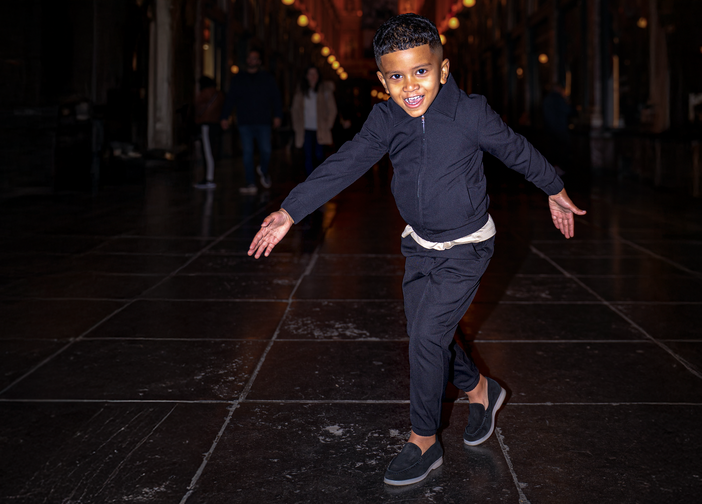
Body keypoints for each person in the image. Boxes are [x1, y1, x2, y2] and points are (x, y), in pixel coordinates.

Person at [248, 14, 586, 486]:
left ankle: (423, 441)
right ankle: (480, 389)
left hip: (468, 247)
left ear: (443, 70)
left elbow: (515, 149)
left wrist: (554, 188)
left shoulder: (469, 113)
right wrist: (289, 211)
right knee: (432, 336)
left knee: (427, 336)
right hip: (420, 247)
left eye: (421, 71)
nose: (410, 86)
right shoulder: (386, 118)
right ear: (383, 79)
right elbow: (347, 161)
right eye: (396, 76)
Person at [221, 49, 282, 194]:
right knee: (247, 152)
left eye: (255, 58)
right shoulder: (239, 78)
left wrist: (278, 115)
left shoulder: (267, 78)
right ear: (246, 60)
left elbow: (276, 98)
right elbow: (231, 98)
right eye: (250, 57)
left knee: (266, 150)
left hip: (263, 121)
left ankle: (263, 170)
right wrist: (225, 116)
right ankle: (250, 183)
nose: (252, 60)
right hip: (245, 122)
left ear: (259, 61)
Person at [291, 66, 338, 177]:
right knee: (307, 156)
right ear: (306, 76)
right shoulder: (301, 91)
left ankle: (319, 179)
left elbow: (332, 109)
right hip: (305, 128)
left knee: (319, 155)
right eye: (310, 74)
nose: (313, 76)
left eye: (315, 73)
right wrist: (296, 126)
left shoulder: (325, 90)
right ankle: (310, 182)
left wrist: (328, 124)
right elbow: (295, 109)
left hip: (320, 128)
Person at [194, 76, 224, 189]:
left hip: (206, 123)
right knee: (211, 150)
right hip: (215, 124)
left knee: (207, 152)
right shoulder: (219, 94)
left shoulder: (205, 93)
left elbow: (197, 106)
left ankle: (208, 178)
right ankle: (208, 177)